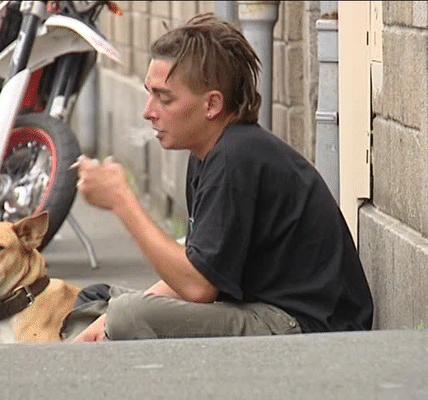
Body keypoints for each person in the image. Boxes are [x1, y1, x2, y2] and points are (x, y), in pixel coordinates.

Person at [69, 13, 373, 342]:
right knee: (98, 299)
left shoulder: (236, 158)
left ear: (212, 104)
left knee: (127, 315)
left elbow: (198, 286)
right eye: (149, 93)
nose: (148, 111)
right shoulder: (211, 153)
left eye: (164, 97)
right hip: (254, 310)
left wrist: (122, 200)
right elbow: (198, 269)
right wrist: (115, 314)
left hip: (308, 328)